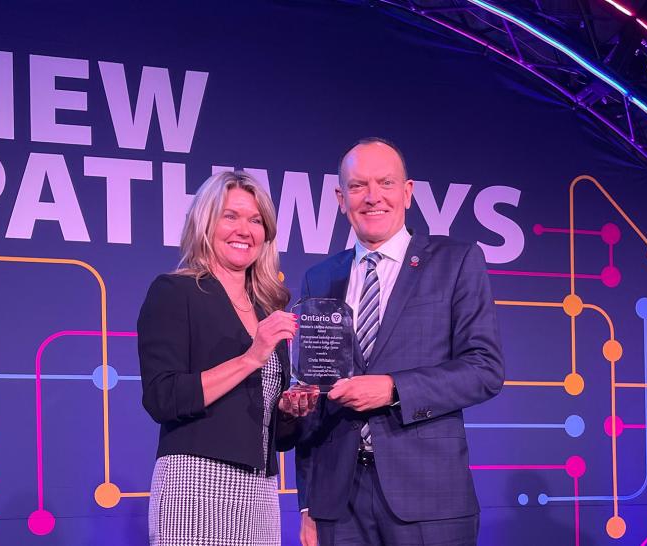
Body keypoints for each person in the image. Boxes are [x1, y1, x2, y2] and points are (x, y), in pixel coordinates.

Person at [293, 138, 505, 545]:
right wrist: (309, 504)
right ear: (341, 198)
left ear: (407, 193)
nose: (373, 197)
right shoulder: (319, 278)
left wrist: (393, 389)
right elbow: (314, 396)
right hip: (339, 505)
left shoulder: (455, 261)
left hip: (429, 501)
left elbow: (484, 369)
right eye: (357, 186)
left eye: (385, 183)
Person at [137, 171, 315, 546]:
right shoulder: (175, 292)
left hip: (261, 489)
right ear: (205, 223)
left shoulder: (269, 308)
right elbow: (162, 398)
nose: (244, 230)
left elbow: (275, 433)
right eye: (230, 216)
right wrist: (252, 356)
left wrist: (289, 410)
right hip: (195, 483)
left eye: (255, 220)